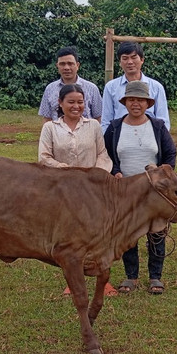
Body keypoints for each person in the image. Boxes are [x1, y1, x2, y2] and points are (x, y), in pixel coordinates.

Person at [38, 83, 117, 297]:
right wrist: (66, 171)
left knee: (98, 236)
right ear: (60, 103)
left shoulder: (93, 126)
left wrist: (94, 175)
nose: (76, 106)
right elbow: (44, 158)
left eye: (80, 102)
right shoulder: (51, 128)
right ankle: (73, 281)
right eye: (71, 102)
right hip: (62, 191)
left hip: (92, 190)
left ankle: (103, 280)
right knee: (70, 239)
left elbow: (103, 153)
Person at [104, 80, 177, 295]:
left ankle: (155, 277)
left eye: (141, 100)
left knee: (157, 232)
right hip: (125, 189)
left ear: (148, 103)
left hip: (154, 192)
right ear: (125, 102)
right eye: (132, 99)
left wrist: (163, 173)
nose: (136, 104)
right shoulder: (115, 127)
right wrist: (115, 171)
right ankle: (131, 276)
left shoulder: (157, 126)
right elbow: (107, 155)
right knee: (129, 233)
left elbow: (170, 154)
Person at [101, 42, 170, 134]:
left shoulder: (156, 87)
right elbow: (106, 120)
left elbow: (163, 120)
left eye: (134, 57)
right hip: (120, 138)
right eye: (125, 58)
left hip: (149, 137)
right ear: (120, 62)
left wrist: (159, 140)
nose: (130, 62)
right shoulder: (111, 87)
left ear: (142, 60)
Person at [38, 47, 104, 123]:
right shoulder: (50, 89)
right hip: (58, 133)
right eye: (62, 64)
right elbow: (47, 118)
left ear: (77, 65)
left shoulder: (92, 88)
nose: (66, 68)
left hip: (86, 133)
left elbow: (99, 117)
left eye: (70, 64)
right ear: (57, 66)